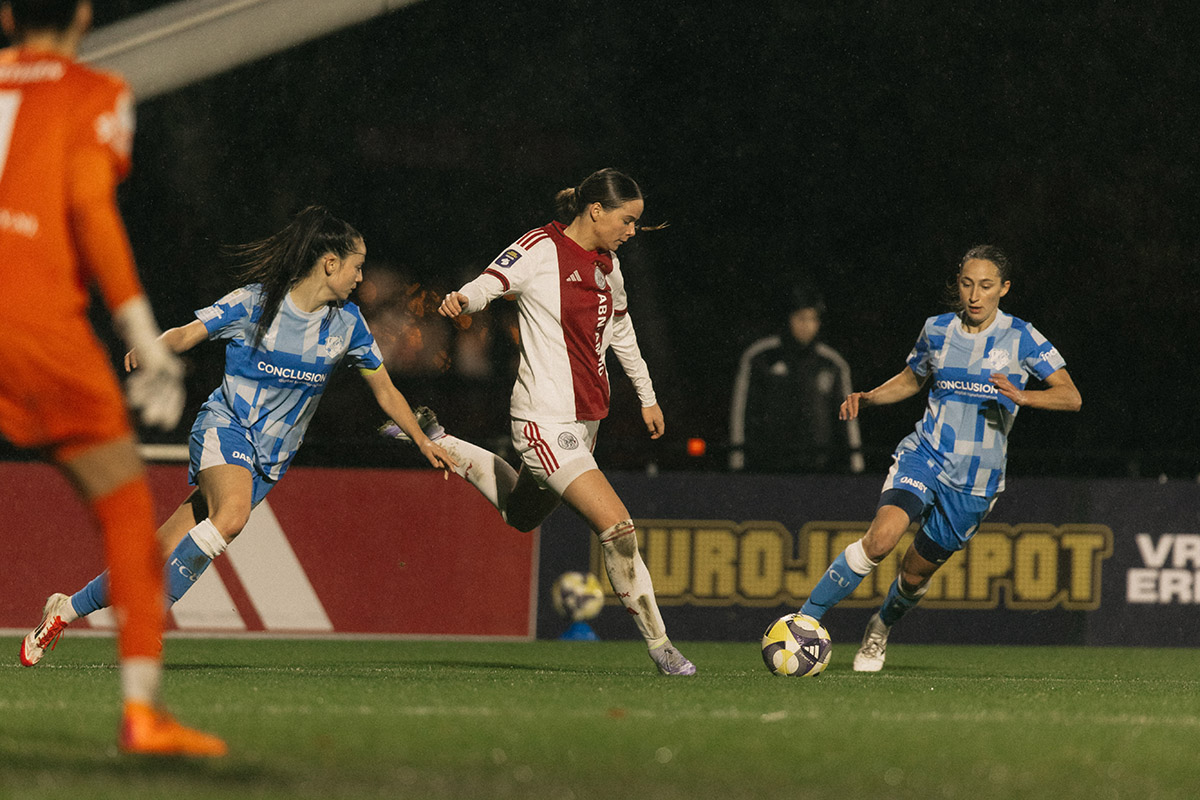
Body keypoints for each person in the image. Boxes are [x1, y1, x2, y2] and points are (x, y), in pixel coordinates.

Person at [21, 205, 455, 662]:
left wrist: (423, 440)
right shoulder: (256, 302)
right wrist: (152, 348)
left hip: (270, 460)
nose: (361, 277)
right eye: (357, 265)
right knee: (231, 516)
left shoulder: (347, 325)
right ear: (330, 264)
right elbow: (189, 333)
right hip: (224, 428)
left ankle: (63, 611)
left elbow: (385, 391)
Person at [0, 0, 225, 756]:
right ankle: (142, 715)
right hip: (36, 328)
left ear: (5, 14)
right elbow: (92, 210)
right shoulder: (94, 93)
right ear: (85, 16)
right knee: (130, 512)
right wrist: (142, 337)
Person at [380, 168, 696, 676]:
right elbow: (491, 282)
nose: (633, 231)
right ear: (596, 210)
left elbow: (621, 329)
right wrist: (463, 298)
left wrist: (648, 396)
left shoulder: (608, 265)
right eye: (628, 220)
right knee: (617, 528)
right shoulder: (540, 248)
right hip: (543, 421)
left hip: (586, 422)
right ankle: (662, 646)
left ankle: (438, 440)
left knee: (522, 516)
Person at [797, 245, 1081, 672]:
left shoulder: (1022, 336)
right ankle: (803, 622)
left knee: (913, 575)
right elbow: (913, 378)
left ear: (1003, 288)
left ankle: (880, 628)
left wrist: (1024, 396)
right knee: (882, 538)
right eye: (967, 283)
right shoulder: (937, 330)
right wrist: (869, 398)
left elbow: (1071, 396)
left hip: (975, 480)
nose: (974, 295)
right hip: (925, 454)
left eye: (986, 286)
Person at [728, 285, 864, 474]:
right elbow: (742, 413)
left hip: (820, 473)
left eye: (812, 319)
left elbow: (848, 419)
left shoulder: (832, 363)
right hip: (767, 470)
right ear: (787, 319)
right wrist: (737, 463)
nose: (807, 325)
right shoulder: (760, 357)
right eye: (800, 318)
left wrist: (856, 467)